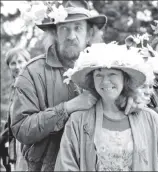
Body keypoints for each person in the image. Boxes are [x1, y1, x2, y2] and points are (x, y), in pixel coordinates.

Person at [10, 1, 146, 171]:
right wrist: (66, 108)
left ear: (89, 33)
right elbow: (21, 129)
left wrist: (131, 100)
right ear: (55, 33)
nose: (71, 35)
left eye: (78, 28)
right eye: (64, 28)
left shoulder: (109, 68)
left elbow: (132, 103)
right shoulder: (32, 73)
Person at [55, 43, 158, 171]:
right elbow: (66, 166)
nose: (105, 81)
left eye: (112, 74)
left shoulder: (151, 119)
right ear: (92, 80)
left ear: (125, 79)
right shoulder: (77, 121)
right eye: (99, 75)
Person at [0, 47, 31, 171]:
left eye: (20, 61)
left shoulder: (32, 84)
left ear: (28, 62)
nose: (17, 66)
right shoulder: (14, 87)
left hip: (29, 142)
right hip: (15, 143)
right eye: (13, 63)